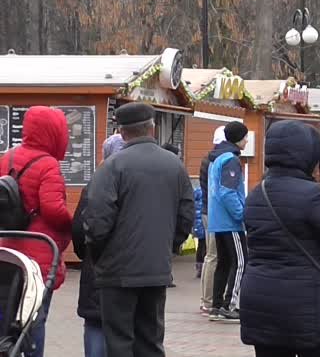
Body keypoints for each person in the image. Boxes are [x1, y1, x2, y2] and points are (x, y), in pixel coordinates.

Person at [84, 102, 194, 357]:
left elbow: (97, 220)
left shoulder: (111, 167)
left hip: (116, 272)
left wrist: (100, 256)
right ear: (152, 129)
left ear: (122, 132)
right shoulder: (175, 165)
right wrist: (168, 247)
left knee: (119, 341)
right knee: (151, 340)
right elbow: (186, 215)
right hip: (156, 269)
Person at [240, 120, 320, 357]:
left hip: (261, 298)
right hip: (307, 302)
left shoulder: (256, 194)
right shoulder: (313, 195)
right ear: (307, 153)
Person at [0, 106, 73, 357]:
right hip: (38, 256)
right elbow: (53, 210)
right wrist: (72, 223)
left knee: (5, 310)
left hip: (6, 250)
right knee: (33, 317)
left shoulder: (6, 158)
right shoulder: (48, 165)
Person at [72, 134, 125, 357]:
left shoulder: (94, 183)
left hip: (97, 265)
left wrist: (87, 254)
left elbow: (78, 229)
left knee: (95, 323)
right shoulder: (141, 183)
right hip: (134, 268)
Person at [207, 121, 249, 322]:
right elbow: (227, 192)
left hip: (217, 219)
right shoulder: (230, 160)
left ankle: (215, 306)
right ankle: (229, 304)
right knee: (241, 261)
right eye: (246, 137)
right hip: (230, 221)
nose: (248, 140)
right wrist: (241, 214)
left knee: (223, 263)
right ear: (239, 138)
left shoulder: (216, 158)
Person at [199, 126, 226, 315]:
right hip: (214, 212)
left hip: (208, 211)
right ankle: (208, 301)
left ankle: (209, 299)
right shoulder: (217, 161)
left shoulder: (207, 159)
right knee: (214, 256)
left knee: (213, 255)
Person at [162, 143, 181, 289]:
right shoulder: (172, 170)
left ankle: (166, 275)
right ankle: (165, 275)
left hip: (162, 212)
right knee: (165, 247)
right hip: (167, 213)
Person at [193, 186, 206, 278]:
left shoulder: (197, 192)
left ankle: (199, 267)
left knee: (201, 245)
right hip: (205, 221)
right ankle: (203, 268)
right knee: (205, 246)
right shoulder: (208, 190)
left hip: (198, 223)